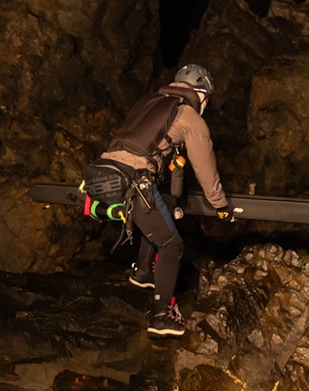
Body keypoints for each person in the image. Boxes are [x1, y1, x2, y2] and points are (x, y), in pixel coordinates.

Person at [98, 64, 235, 338]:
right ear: (202, 94)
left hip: (105, 175)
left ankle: (142, 273)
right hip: (136, 183)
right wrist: (221, 206)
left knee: (158, 218)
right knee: (172, 244)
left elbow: (149, 151)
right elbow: (206, 170)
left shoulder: (149, 102)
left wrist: (173, 195)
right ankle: (161, 317)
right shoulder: (189, 117)